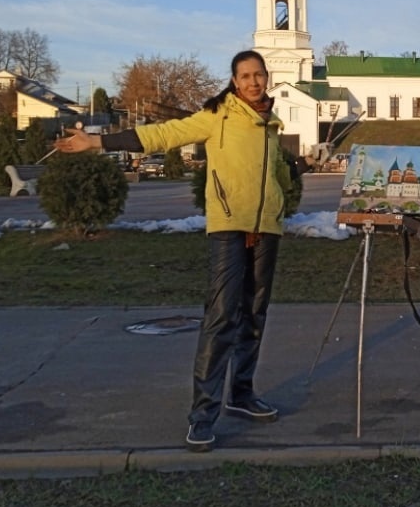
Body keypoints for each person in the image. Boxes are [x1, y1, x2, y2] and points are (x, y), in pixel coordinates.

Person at [55, 50, 309, 452]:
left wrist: (291, 176)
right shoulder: (218, 116)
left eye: (259, 75)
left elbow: (275, 173)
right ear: (234, 80)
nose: (253, 82)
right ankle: (202, 415)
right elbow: (164, 134)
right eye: (245, 76)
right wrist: (99, 142)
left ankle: (241, 395)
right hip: (228, 228)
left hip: (266, 231)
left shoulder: (270, 125)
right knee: (221, 318)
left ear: (266, 77)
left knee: (254, 315)